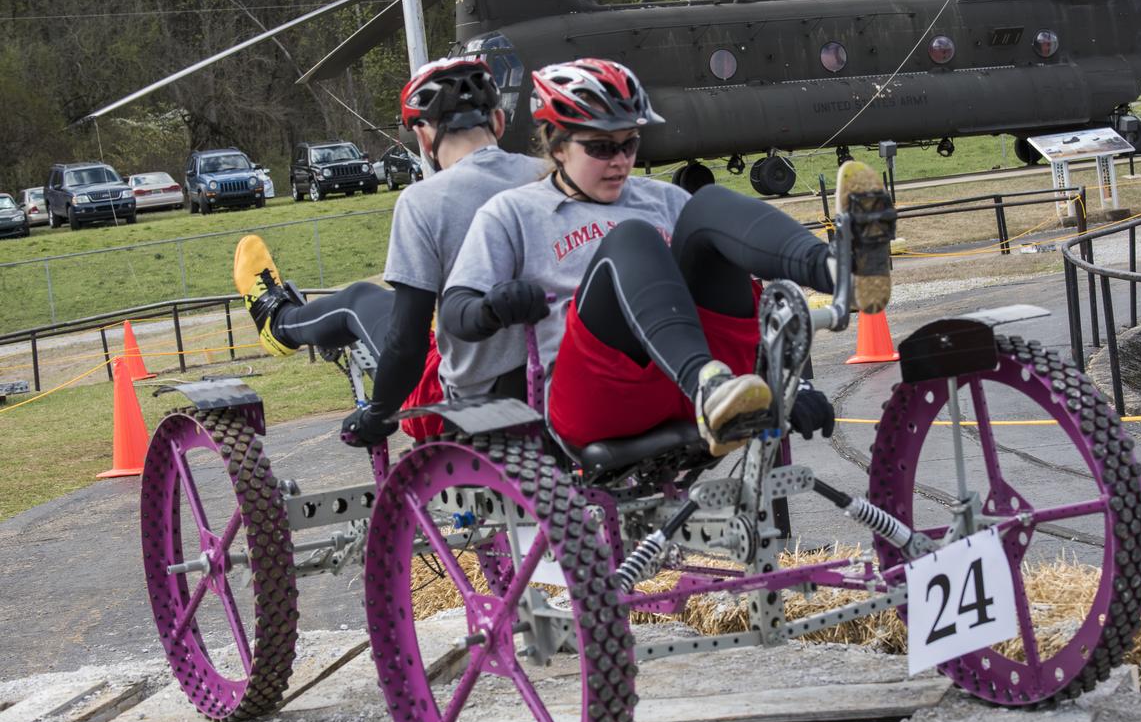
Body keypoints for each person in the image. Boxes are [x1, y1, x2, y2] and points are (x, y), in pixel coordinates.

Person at [440, 58, 856, 456]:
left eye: (630, 144)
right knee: (632, 238)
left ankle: (834, 268)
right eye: (602, 148)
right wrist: (491, 309)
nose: (621, 161)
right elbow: (457, 310)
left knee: (709, 203)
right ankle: (707, 385)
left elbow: (748, 294)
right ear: (557, 144)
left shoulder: (664, 199)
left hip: (696, 386)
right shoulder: (513, 212)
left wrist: (788, 382)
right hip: (598, 398)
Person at [232, 57, 545, 446]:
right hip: (557, 388)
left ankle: (277, 323)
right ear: (498, 122)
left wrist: (378, 417)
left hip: (468, 405)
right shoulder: (547, 176)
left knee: (358, 300)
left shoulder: (424, 201)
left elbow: (406, 343)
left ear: (424, 137)